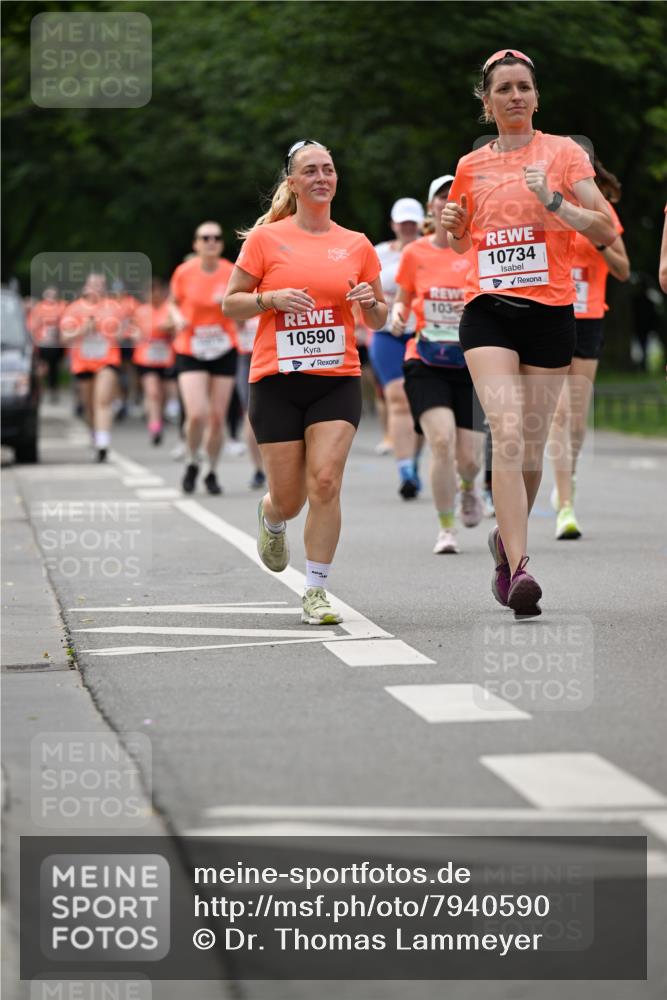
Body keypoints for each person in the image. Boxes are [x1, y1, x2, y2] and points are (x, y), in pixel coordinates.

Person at [442, 48, 616, 618]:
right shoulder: (472, 166)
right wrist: (452, 228)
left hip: (549, 313)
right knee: (508, 430)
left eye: (523, 87)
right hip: (488, 308)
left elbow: (604, 228)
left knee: (532, 448)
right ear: (486, 101)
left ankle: (503, 543)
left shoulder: (563, 154)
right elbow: (464, 243)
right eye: (503, 88)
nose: (515, 96)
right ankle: (518, 569)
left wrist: (554, 201)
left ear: (536, 97)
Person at [224, 139, 387, 625]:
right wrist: (270, 299)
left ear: (337, 179)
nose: (322, 177)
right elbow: (231, 301)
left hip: (336, 377)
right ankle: (272, 515)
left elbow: (378, 318)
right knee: (291, 497)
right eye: (310, 171)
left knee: (326, 480)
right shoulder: (266, 240)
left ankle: (315, 591)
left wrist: (369, 302)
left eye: (329, 169)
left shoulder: (356, 244)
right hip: (277, 379)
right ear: (292, 183)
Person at [394, 175, 484, 553]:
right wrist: (398, 314)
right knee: (441, 441)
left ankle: (466, 487)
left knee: (469, 460)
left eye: (455, 196)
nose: (448, 202)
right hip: (426, 359)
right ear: (432, 207)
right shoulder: (415, 253)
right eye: (441, 197)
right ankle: (446, 528)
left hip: (471, 362)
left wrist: (478, 306)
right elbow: (402, 298)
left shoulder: (477, 249)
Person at [548, 155, 630, 539]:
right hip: (551, 315)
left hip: (590, 319)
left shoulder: (603, 213)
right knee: (560, 415)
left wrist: (598, 244)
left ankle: (569, 477)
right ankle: (566, 506)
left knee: (576, 421)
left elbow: (623, 270)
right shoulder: (547, 207)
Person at [169, 221, 239, 495]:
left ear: (221, 244)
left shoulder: (230, 271)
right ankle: (190, 460)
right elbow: (173, 303)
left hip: (223, 347)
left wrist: (241, 319)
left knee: (218, 417)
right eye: (205, 238)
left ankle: (211, 469)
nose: (211, 242)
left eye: (216, 238)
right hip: (191, 348)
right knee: (197, 413)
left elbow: (240, 303)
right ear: (196, 244)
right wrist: (177, 318)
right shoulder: (184, 272)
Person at [368, 197, 425, 498]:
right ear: (393, 224)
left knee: (420, 405)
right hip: (388, 335)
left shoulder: (430, 250)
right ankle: (405, 470)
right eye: (402, 222)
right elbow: (369, 294)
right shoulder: (379, 254)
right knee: (398, 397)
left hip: (422, 334)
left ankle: (413, 459)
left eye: (412, 222)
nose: (407, 227)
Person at [59, 274, 123, 462]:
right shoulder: (74, 308)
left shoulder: (113, 307)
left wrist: (108, 329)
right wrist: (83, 330)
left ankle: (103, 443)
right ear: (86, 287)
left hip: (107, 359)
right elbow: (64, 338)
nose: (96, 288)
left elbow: (121, 333)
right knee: (88, 405)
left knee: (102, 400)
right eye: (93, 284)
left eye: (100, 285)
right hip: (83, 361)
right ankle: (95, 434)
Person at [132, 278, 176, 445]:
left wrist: (168, 328)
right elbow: (134, 329)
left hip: (166, 357)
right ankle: (155, 426)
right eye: (150, 292)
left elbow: (176, 326)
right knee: (153, 392)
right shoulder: (141, 311)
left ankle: (161, 416)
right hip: (146, 357)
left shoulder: (169, 309)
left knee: (163, 393)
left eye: (156, 291)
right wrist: (136, 334)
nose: (154, 295)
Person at [27, 285, 65, 401]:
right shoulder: (38, 307)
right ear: (44, 296)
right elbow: (31, 326)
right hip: (41, 344)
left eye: (53, 295)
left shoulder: (61, 306)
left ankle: (53, 390)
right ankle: (40, 390)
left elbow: (66, 322)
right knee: (42, 368)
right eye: (49, 294)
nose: (51, 297)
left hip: (56, 344)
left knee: (54, 368)